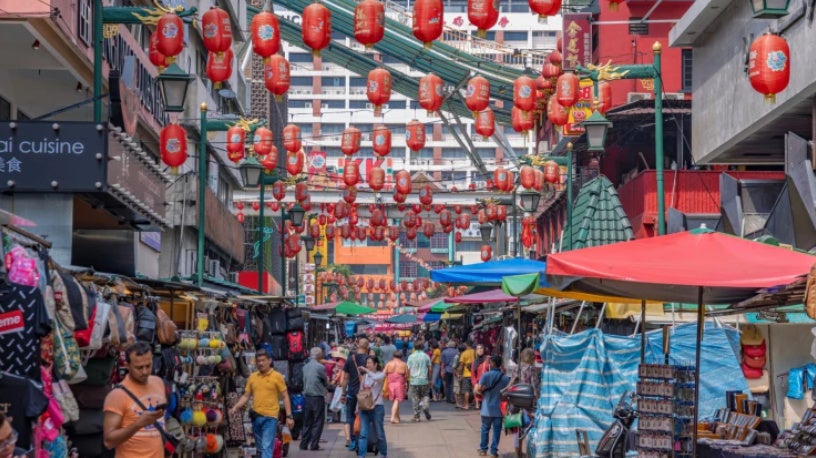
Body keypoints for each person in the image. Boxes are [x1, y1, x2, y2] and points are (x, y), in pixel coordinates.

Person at [103, 341, 167, 458]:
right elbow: (108, 442)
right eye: (139, 367)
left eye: (148, 365)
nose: (145, 372)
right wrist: (138, 424)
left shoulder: (158, 383)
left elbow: (162, 425)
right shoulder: (117, 395)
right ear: (127, 365)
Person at [229, 349, 295, 458]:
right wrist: (236, 407)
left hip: (270, 417)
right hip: (256, 417)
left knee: (266, 447)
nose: (260, 363)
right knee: (260, 448)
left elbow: (285, 396)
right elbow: (246, 396)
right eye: (258, 361)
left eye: (263, 360)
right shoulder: (252, 377)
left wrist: (289, 416)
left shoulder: (277, 376)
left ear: (269, 360)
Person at [507, 348, 541, 457]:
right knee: (529, 429)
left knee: (517, 430)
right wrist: (538, 400)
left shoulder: (517, 368)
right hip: (529, 404)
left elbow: (511, 384)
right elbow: (535, 387)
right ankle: (529, 453)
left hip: (516, 403)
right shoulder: (532, 369)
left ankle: (518, 454)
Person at [475, 355, 510, 458]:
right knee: (497, 430)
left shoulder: (486, 375)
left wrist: (480, 391)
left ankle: (483, 449)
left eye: (490, 362)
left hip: (486, 408)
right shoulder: (505, 378)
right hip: (499, 409)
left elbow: (480, 389)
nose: (489, 364)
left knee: (485, 428)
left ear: (493, 364)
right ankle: (493, 452)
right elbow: (506, 393)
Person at [341, 338, 371, 452]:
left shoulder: (349, 359)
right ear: (367, 347)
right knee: (364, 416)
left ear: (358, 345)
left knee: (350, 416)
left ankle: (353, 441)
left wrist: (343, 393)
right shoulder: (369, 360)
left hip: (352, 392)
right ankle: (362, 440)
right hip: (365, 393)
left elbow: (345, 378)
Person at [356, 356, 388, 458]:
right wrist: (357, 406)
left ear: (375, 364)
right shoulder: (365, 377)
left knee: (379, 433)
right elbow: (361, 391)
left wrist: (366, 370)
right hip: (364, 408)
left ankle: (383, 453)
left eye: (369, 363)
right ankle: (361, 455)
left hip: (377, 407)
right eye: (367, 363)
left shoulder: (381, 375)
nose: (367, 365)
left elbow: (375, 378)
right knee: (363, 433)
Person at [300, 347, 329, 451]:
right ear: (319, 355)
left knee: (307, 421)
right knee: (318, 421)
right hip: (317, 396)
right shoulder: (320, 367)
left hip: (307, 396)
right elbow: (325, 381)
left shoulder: (305, 367)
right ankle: (314, 444)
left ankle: (303, 444)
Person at [406, 339, 432, 422]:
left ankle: (416, 416)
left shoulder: (411, 356)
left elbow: (408, 369)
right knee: (425, 395)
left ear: (414, 347)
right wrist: (430, 379)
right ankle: (425, 406)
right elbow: (430, 368)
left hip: (414, 381)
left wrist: (407, 379)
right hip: (424, 380)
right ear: (423, 347)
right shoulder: (426, 356)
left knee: (415, 398)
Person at [330, 347, 351, 445]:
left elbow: (342, 381)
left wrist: (336, 382)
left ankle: (348, 438)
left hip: (344, 391)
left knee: (345, 417)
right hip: (351, 392)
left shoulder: (343, 366)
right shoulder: (349, 365)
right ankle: (351, 437)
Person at [383, 350, 409, 423]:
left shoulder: (389, 364)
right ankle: (393, 417)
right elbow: (407, 375)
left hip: (390, 383)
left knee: (395, 400)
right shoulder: (403, 364)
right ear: (401, 357)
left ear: (393, 356)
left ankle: (397, 417)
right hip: (399, 383)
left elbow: (383, 373)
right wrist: (406, 383)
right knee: (397, 400)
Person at [471, 344, 490, 410]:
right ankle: (477, 404)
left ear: (484, 350)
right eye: (478, 349)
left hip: (487, 383)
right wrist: (475, 384)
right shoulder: (474, 362)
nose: (480, 350)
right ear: (476, 351)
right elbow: (473, 375)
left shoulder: (488, 359)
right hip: (478, 384)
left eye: (481, 348)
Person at [458, 340, 476, 410]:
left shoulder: (464, 353)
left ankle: (467, 405)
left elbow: (461, 365)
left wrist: (459, 373)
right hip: (474, 373)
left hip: (466, 374)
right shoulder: (475, 352)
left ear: (466, 345)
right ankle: (476, 404)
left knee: (466, 390)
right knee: (474, 389)